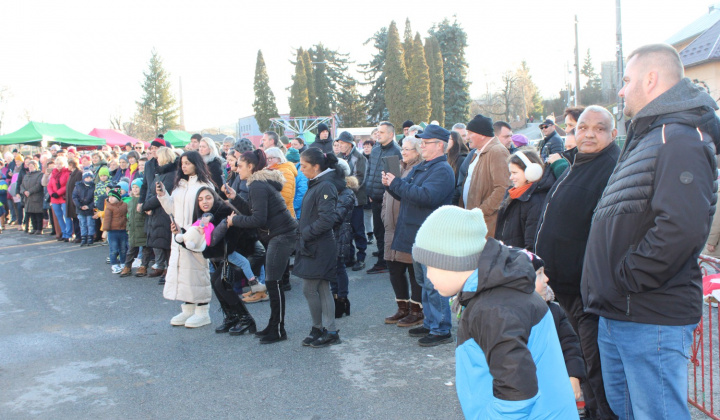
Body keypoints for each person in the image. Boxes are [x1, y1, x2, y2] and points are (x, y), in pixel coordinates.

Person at [583, 44, 720, 420]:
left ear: (651, 79)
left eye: (627, 81)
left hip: (648, 315)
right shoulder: (650, 135)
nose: (622, 90)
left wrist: (625, 278)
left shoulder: (679, 139)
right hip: (620, 312)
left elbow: (681, 228)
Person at [412, 205, 578, 419]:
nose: (428, 277)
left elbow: (518, 394)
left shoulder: (493, 309)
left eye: (430, 266)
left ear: (453, 261)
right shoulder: (495, 294)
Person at [534, 106, 621, 420]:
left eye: (599, 129)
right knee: (580, 361)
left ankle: (603, 414)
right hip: (566, 288)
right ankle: (593, 411)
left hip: (589, 293)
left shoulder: (612, 167)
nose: (588, 134)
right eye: (582, 128)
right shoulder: (579, 163)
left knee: (597, 367)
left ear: (613, 134)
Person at [382, 124, 455, 347]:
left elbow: (426, 197)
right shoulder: (424, 166)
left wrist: (396, 183)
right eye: (421, 142)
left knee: (434, 284)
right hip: (418, 234)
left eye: (425, 143)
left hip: (432, 235)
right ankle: (431, 322)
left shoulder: (442, 170)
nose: (421, 146)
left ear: (439, 146)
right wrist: (391, 184)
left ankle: (441, 328)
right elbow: (406, 190)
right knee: (424, 282)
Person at [226, 149, 298, 343]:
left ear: (250, 166)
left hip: (282, 235)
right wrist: (235, 198)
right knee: (273, 282)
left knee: (273, 282)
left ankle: (278, 330)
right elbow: (254, 211)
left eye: (240, 165)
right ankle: (274, 325)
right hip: (279, 234)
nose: (236, 169)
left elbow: (257, 218)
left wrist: (234, 221)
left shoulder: (257, 185)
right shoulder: (257, 183)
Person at [157, 151, 215, 328]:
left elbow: (210, 210)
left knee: (198, 273)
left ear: (196, 164)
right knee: (183, 273)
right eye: (182, 163)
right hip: (179, 235)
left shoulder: (205, 184)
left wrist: (197, 230)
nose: (184, 166)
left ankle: (203, 312)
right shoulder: (179, 185)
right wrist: (163, 195)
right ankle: (188, 309)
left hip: (195, 234)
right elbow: (171, 209)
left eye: (188, 163)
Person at [294, 148, 345, 347]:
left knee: (310, 288)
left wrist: (305, 233)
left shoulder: (325, 186)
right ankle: (325, 330)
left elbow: (327, 220)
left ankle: (323, 328)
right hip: (313, 244)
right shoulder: (317, 183)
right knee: (321, 288)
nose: (301, 170)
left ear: (316, 167)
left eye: (304, 167)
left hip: (319, 246)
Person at [381, 135, 424, 327]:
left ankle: (416, 309)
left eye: (408, 149)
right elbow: (388, 194)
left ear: (418, 152)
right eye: (403, 148)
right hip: (391, 226)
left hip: (406, 226)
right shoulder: (398, 167)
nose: (403, 152)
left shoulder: (418, 169)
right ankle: (402, 307)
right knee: (394, 268)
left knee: (412, 269)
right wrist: (384, 214)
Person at [533, 254, 586, 403]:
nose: (546, 279)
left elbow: (570, 344)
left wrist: (573, 375)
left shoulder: (555, 312)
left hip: (555, 387)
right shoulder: (511, 317)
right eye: (539, 274)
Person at [458, 114, 511, 237]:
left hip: (486, 225)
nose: (467, 137)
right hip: (474, 222)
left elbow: (503, 188)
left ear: (482, 135)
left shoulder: (497, 151)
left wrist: (481, 212)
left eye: (470, 133)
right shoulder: (477, 152)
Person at [494, 149, 554, 252]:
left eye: (514, 173)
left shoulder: (536, 201)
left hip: (519, 262)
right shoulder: (514, 194)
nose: (511, 177)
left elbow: (532, 243)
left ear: (531, 172)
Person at [365, 122, 402, 274]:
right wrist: (369, 191)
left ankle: (384, 261)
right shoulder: (375, 149)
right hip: (374, 197)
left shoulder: (395, 152)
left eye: (381, 132)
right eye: (377, 131)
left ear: (391, 135)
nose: (378, 134)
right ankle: (382, 254)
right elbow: (370, 172)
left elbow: (394, 180)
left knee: (386, 231)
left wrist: (384, 197)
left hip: (387, 199)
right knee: (378, 230)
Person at [335, 131, 368, 271]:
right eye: (339, 143)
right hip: (342, 200)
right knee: (345, 230)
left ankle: (361, 258)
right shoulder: (337, 157)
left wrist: (342, 184)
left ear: (349, 144)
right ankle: (350, 257)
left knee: (358, 229)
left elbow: (359, 180)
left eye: (342, 143)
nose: (339, 145)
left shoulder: (359, 158)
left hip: (355, 200)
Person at [143, 146, 177, 283]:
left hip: (164, 212)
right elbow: (152, 190)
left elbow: (162, 194)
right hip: (157, 212)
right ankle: (162, 267)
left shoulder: (171, 174)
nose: (156, 160)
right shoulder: (161, 173)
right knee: (160, 243)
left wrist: (146, 205)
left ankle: (169, 270)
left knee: (167, 243)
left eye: (158, 157)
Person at [330, 159, 356, 318]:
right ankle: (336, 297)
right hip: (332, 233)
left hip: (341, 233)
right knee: (333, 267)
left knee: (338, 267)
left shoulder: (347, 192)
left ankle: (342, 299)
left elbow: (337, 216)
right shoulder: (332, 190)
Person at [120, 179, 151, 276]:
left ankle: (143, 266)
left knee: (145, 249)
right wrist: (128, 227)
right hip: (133, 228)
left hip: (142, 228)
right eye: (133, 187)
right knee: (131, 249)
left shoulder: (145, 200)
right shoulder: (130, 201)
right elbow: (128, 216)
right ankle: (127, 266)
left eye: (137, 187)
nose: (135, 189)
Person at [264, 147, 296, 218]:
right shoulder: (271, 171)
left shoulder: (285, 172)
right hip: (278, 215)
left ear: (279, 158)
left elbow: (285, 198)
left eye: (270, 158)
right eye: (266, 159)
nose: (267, 161)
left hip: (285, 217)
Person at [103, 189, 128, 274]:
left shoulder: (125, 205)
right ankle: (114, 264)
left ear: (118, 197)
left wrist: (128, 227)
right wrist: (105, 230)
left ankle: (123, 263)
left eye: (113, 197)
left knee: (123, 248)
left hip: (123, 230)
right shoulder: (109, 207)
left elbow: (127, 216)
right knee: (113, 249)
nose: (110, 199)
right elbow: (107, 220)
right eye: (109, 197)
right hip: (112, 231)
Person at [48, 156, 72, 241]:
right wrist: (52, 193)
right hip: (54, 198)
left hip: (63, 197)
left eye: (60, 163)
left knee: (67, 216)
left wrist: (58, 193)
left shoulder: (67, 173)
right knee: (59, 216)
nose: (58, 165)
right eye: (57, 163)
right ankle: (63, 232)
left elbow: (67, 185)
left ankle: (68, 234)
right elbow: (49, 185)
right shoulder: (53, 173)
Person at [19, 159, 44, 234]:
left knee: (38, 214)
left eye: (32, 166)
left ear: (36, 166)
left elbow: (38, 185)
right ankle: (34, 228)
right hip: (28, 198)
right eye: (29, 166)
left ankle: (39, 229)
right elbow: (22, 185)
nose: (30, 167)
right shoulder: (26, 175)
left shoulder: (40, 174)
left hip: (36, 197)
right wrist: (24, 191)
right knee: (31, 213)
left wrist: (30, 191)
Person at [72, 171, 96, 246]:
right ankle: (83, 237)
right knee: (82, 223)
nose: (88, 179)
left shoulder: (94, 186)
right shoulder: (78, 186)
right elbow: (75, 197)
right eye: (87, 177)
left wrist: (89, 206)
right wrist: (80, 206)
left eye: (90, 177)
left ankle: (90, 237)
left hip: (90, 209)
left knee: (90, 223)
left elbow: (95, 198)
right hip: (80, 209)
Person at [285, 148, 307, 219]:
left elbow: (302, 193)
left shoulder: (301, 172)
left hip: (300, 213)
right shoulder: (297, 169)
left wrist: (293, 206)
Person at [65, 158, 83, 242]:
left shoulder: (78, 173)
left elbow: (78, 187)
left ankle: (79, 236)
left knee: (77, 219)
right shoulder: (72, 174)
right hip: (71, 199)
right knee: (74, 218)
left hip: (75, 200)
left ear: (72, 165)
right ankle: (77, 235)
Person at [362, 138, 375, 244]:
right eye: (364, 146)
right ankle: (369, 233)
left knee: (373, 214)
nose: (366, 148)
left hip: (373, 190)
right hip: (363, 190)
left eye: (368, 146)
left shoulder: (375, 159)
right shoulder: (360, 158)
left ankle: (372, 233)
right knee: (366, 214)